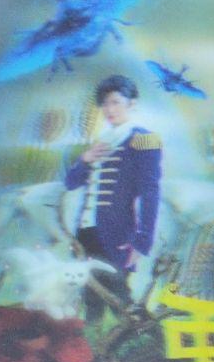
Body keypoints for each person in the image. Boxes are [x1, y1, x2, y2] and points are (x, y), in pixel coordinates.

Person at [64, 75, 162, 316]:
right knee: (90, 300)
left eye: (116, 102)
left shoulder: (144, 139)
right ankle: (94, 339)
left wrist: (142, 242)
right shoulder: (102, 140)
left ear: (132, 104)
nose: (109, 109)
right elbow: (70, 183)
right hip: (85, 233)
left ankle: (144, 337)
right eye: (105, 104)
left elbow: (150, 193)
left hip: (117, 234)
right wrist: (85, 159)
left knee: (120, 302)